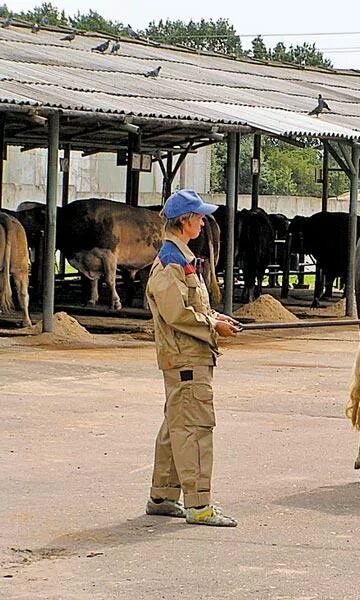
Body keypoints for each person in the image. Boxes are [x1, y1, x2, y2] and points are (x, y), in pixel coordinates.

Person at [144, 189, 242, 527]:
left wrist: (217, 317)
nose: (203, 221)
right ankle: (199, 506)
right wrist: (212, 324)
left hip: (188, 356)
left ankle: (163, 495)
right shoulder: (171, 263)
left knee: (176, 426)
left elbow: (192, 306)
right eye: (199, 216)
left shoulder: (181, 257)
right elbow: (176, 313)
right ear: (185, 221)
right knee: (195, 428)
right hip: (186, 358)